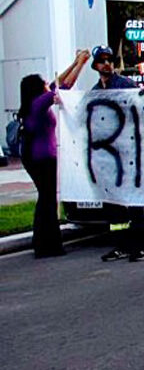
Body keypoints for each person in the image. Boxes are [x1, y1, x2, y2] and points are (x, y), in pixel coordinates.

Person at [19, 49, 90, 257]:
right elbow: (63, 86)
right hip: (42, 158)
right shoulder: (38, 103)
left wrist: (76, 62)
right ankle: (48, 244)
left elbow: (56, 83)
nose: (46, 84)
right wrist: (81, 64)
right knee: (47, 200)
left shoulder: (34, 103)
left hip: (37, 156)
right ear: (36, 89)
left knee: (46, 199)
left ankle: (43, 242)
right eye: (42, 83)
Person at [92, 46, 144, 262]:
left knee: (134, 199)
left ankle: (141, 245)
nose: (107, 64)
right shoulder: (95, 91)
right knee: (114, 202)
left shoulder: (126, 85)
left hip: (128, 149)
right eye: (102, 61)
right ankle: (121, 244)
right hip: (108, 154)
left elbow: (142, 108)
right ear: (96, 66)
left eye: (110, 60)